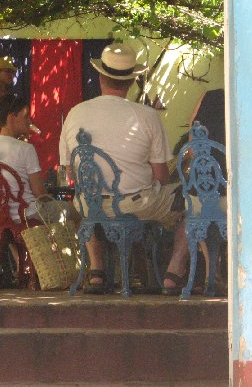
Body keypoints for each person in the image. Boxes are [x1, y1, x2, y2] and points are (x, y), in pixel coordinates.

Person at [58, 42, 187, 295]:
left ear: (100, 76)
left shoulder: (75, 113)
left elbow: (70, 173)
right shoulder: (147, 115)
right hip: (135, 206)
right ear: (131, 81)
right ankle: (173, 272)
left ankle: (97, 271)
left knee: (88, 198)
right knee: (193, 202)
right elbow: (161, 177)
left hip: (87, 204)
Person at [0, 94, 77, 226]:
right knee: (75, 210)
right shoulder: (25, 148)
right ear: (11, 118)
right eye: (25, 117)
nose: (29, 121)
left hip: (0, 218)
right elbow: (40, 194)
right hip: (29, 215)